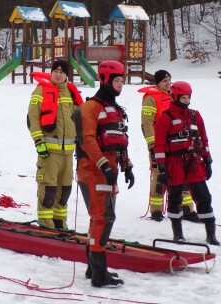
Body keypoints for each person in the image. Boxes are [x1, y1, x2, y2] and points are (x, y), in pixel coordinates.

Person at [74, 61, 134, 288]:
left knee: (100, 219)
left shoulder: (117, 110)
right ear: (104, 79)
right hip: (92, 170)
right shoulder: (91, 108)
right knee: (103, 218)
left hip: (110, 171)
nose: (120, 85)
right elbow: (87, 140)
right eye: (117, 81)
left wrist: (127, 166)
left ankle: (93, 268)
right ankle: (99, 275)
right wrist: (103, 165)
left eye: (122, 81)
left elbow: (120, 142)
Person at [153, 81, 220, 245]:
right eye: (183, 98)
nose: (186, 101)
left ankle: (211, 234)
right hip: (174, 163)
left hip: (195, 162)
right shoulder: (165, 118)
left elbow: (203, 139)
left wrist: (208, 159)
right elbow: (159, 144)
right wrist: (161, 167)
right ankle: (178, 233)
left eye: (188, 97)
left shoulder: (195, 116)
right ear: (175, 96)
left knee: (204, 197)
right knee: (175, 198)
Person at [27, 60, 83, 229]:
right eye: (55, 71)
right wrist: (39, 142)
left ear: (67, 75)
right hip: (49, 152)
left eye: (62, 72)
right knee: (48, 189)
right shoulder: (41, 90)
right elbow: (32, 118)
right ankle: (46, 224)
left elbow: (79, 120)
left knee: (64, 190)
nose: (58, 74)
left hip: (68, 152)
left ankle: (60, 223)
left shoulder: (71, 93)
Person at [139, 70, 199, 222]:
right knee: (159, 177)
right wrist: (152, 144)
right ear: (157, 82)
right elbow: (147, 123)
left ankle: (187, 209)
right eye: (165, 80)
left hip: (177, 144)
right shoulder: (151, 98)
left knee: (183, 176)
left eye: (169, 80)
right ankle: (156, 210)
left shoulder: (174, 96)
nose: (168, 83)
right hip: (159, 144)